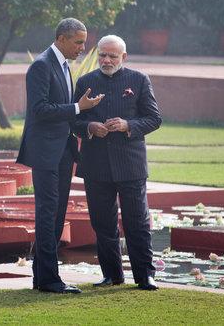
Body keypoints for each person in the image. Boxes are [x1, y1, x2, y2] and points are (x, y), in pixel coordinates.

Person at [17, 18, 104, 293]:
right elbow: (40, 109)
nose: (82, 47)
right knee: (47, 214)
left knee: (55, 214)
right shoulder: (41, 66)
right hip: (45, 153)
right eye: (78, 42)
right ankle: (49, 279)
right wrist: (78, 108)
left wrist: (79, 111)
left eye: (84, 42)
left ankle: (44, 277)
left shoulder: (64, 66)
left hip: (63, 152)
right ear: (61, 39)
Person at [72, 35, 162, 291]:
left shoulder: (139, 80)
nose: (107, 60)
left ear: (124, 57)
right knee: (102, 223)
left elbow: (154, 119)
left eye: (113, 56)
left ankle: (145, 276)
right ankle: (112, 275)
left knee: (137, 222)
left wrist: (127, 125)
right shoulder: (86, 82)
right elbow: (73, 120)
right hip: (96, 165)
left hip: (130, 165)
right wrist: (89, 126)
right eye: (102, 55)